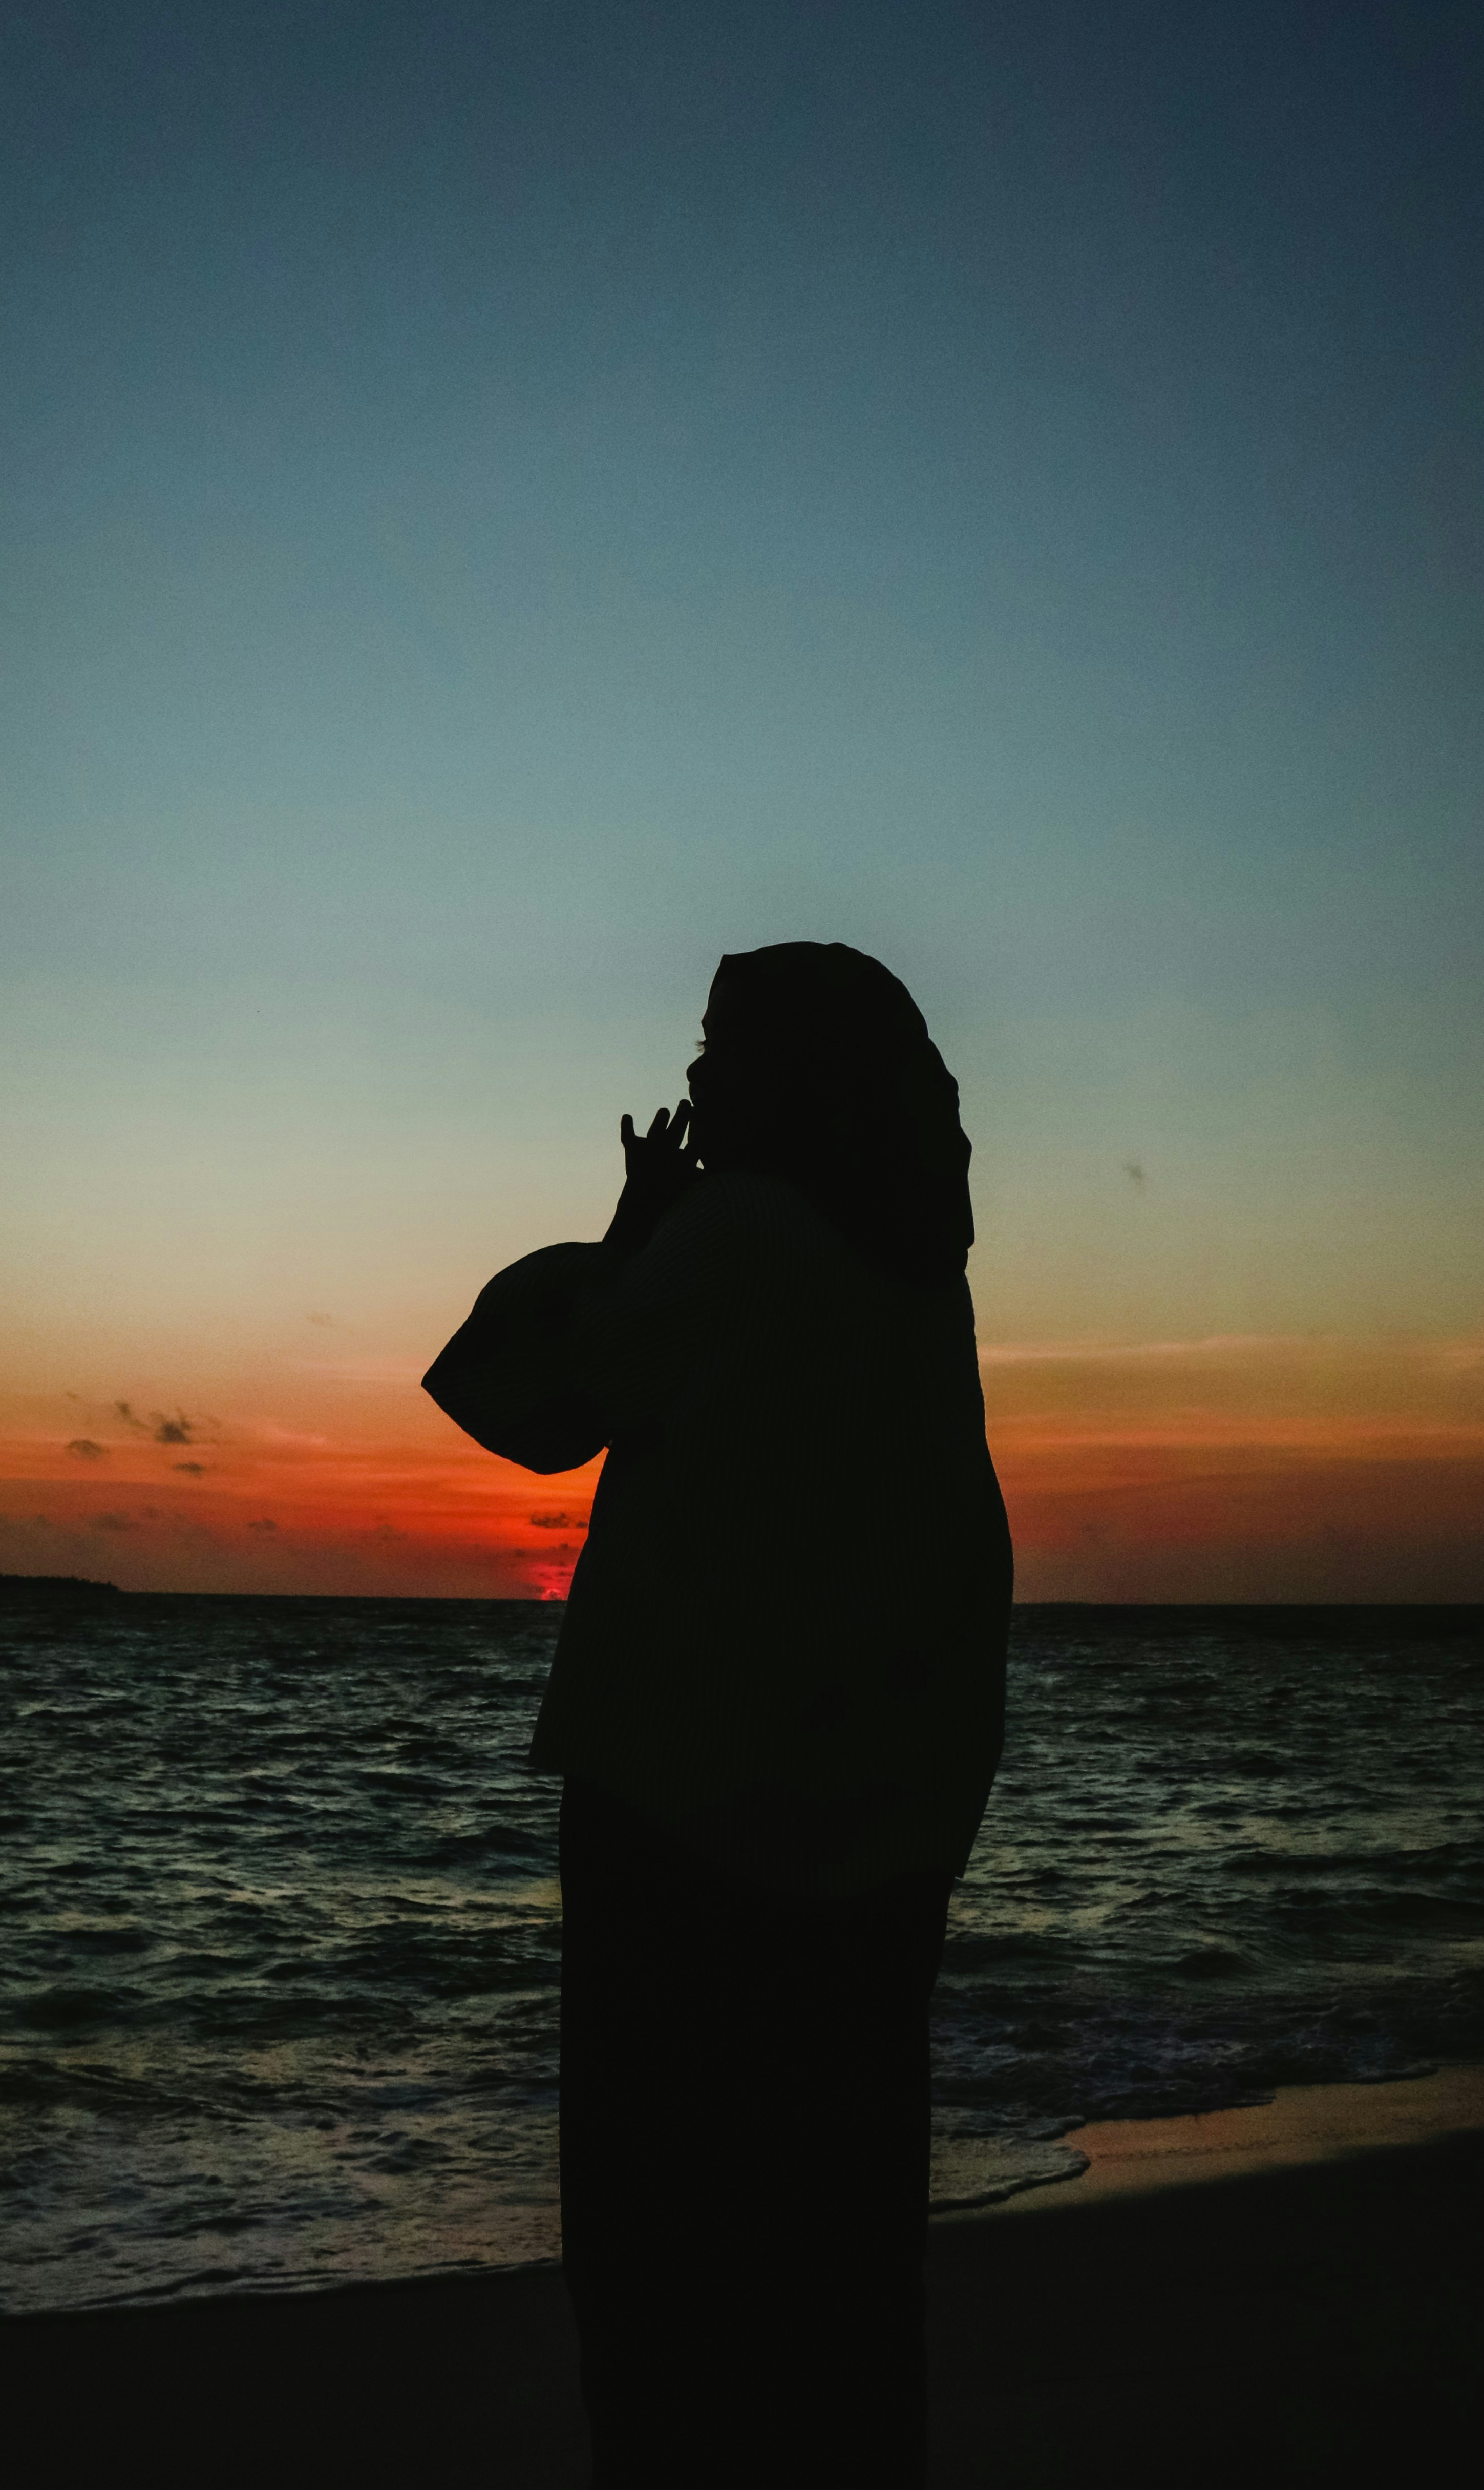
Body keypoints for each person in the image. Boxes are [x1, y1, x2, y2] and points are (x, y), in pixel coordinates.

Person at [423, 943, 1012, 2487]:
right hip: (875, 1855)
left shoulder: (741, 1233)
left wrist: (632, 1234)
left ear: (789, 1082)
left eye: (719, 1052)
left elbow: (530, 1401)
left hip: (691, 1841)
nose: (692, 1082)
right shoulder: (919, 1280)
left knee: (664, 2280)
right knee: (838, 2279)